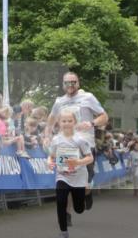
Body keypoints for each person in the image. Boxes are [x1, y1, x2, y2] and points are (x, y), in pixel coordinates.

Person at [45, 72, 107, 208]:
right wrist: (47, 135)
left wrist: (91, 123)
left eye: (73, 82)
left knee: (86, 181)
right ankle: (66, 214)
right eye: (67, 82)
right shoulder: (59, 101)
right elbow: (51, 119)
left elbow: (104, 116)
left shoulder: (88, 97)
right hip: (66, 145)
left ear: (78, 83)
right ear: (63, 84)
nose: (70, 85)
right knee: (65, 178)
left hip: (86, 144)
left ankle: (87, 192)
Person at [47, 108, 94, 238]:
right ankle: (63, 232)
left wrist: (77, 162)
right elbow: (50, 157)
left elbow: (90, 158)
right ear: (59, 123)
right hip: (63, 176)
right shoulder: (56, 140)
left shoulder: (80, 140)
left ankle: (87, 193)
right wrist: (50, 163)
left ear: (74, 122)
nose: (66, 123)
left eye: (69, 121)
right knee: (61, 201)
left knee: (79, 209)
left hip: (79, 177)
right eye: (64, 121)